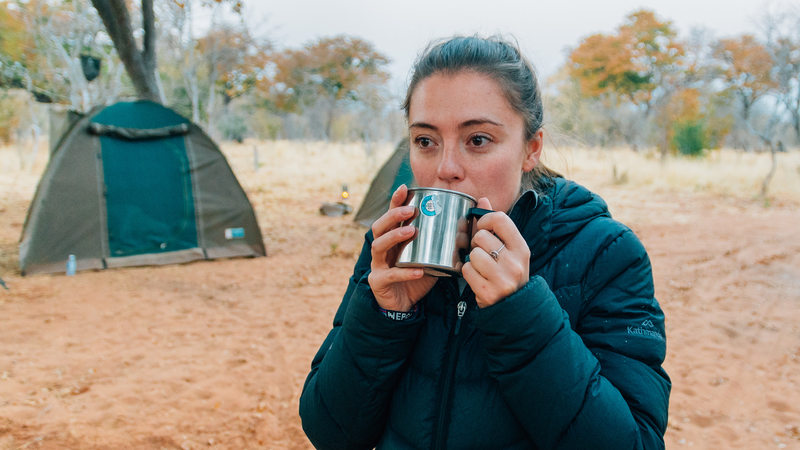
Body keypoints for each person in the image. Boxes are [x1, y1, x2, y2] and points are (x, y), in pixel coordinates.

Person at [299, 35, 670, 449]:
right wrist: (386, 318)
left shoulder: (606, 253)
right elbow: (329, 432)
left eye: (477, 140)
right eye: (425, 141)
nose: (446, 168)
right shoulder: (391, 248)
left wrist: (521, 314)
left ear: (530, 149)